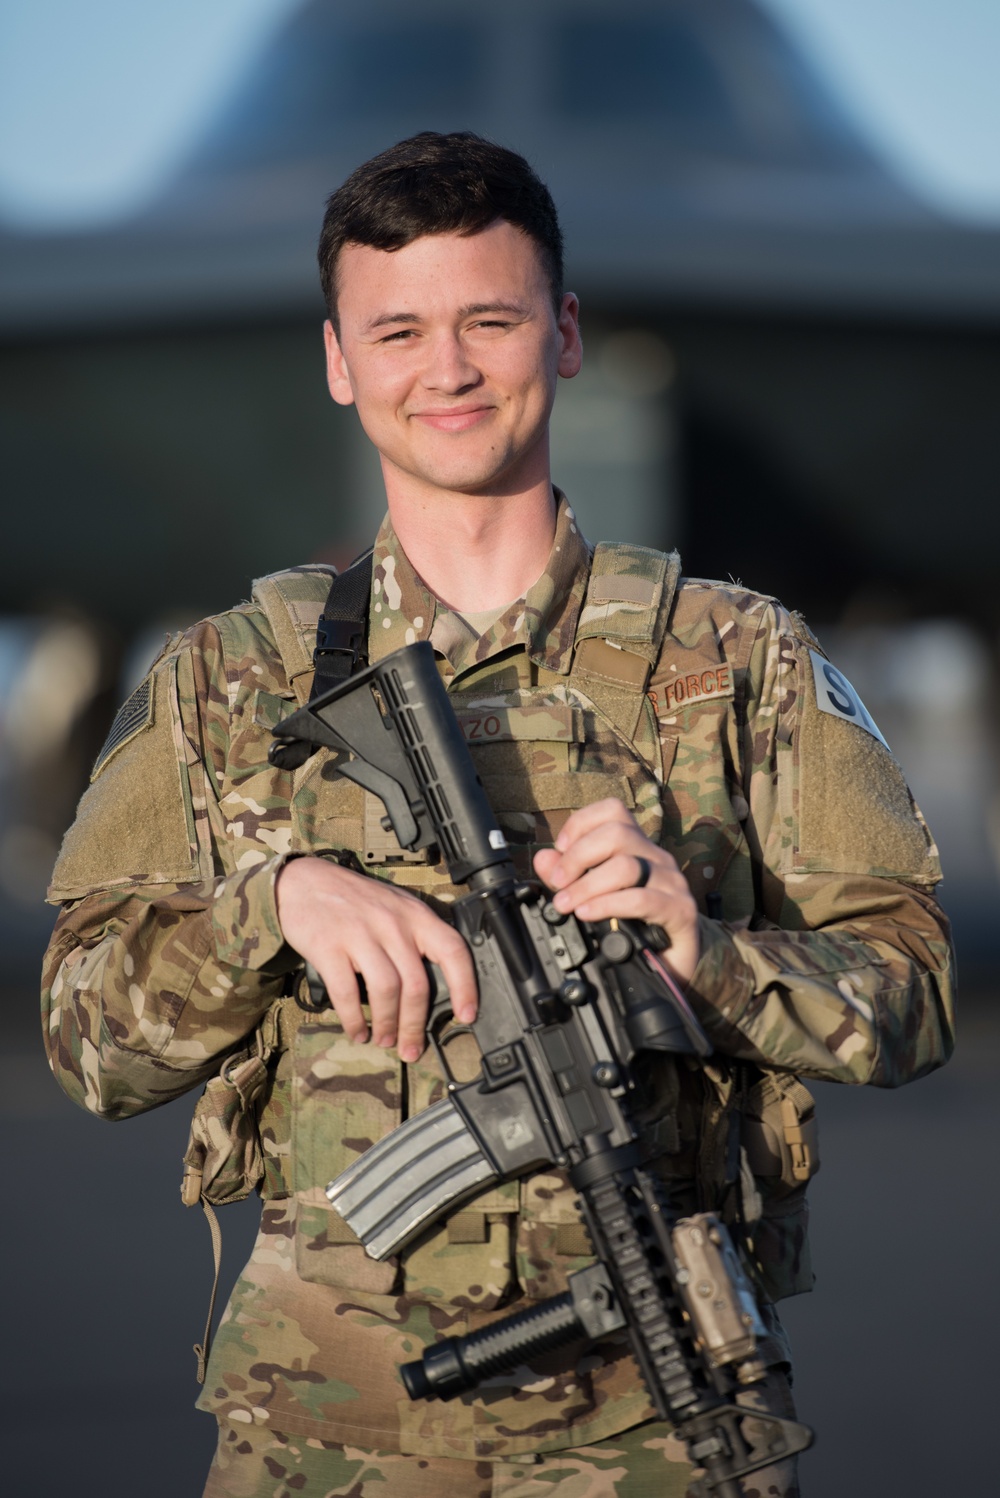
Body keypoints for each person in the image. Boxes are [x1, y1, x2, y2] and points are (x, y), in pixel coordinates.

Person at [42, 132, 955, 1498]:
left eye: (490, 319)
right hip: (319, 1441)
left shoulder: (741, 658)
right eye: (396, 330)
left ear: (564, 333)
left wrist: (708, 953)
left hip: (656, 1428)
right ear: (341, 363)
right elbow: (86, 1042)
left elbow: (915, 994)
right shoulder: (227, 676)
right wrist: (266, 908)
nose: (447, 369)